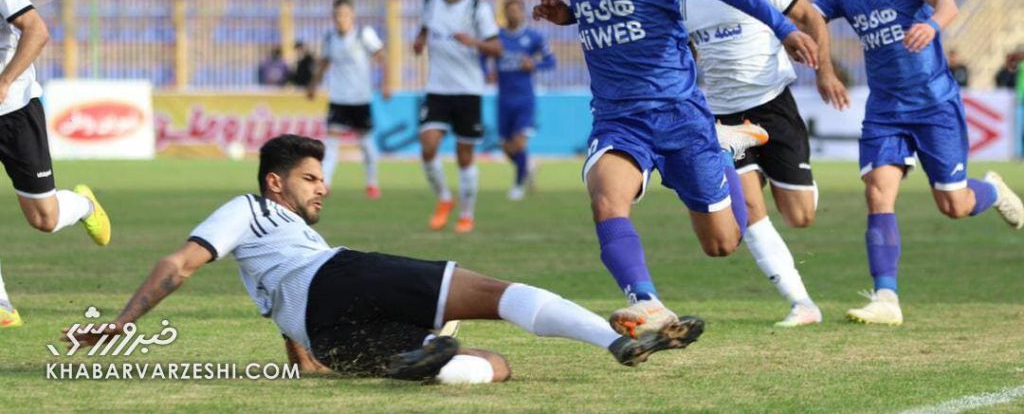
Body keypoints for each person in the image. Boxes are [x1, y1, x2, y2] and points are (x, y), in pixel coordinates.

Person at [67, 134, 706, 383]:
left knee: (497, 366)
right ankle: (613, 339)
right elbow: (178, 264)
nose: (323, 187)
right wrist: (125, 322)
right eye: (311, 178)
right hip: (339, 278)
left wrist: (308, 362)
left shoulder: (276, 249)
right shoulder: (249, 209)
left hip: (325, 333)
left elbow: (281, 307)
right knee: (492, 293)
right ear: (275, 183)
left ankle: (429, 356)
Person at [523, 0, 820, 339]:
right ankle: (648, 304)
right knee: (605, 197)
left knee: (722, 244)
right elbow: (619, 7)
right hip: (620, 119)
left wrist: (785, 28)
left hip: (680, 116)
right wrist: (572, 15)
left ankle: (721, 147)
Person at [814, 0, 1023, 326]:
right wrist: (824, 69)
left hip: (934, 104)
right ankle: (886, 297)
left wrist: (929, 24)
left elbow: (947, 3)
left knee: (954, 204)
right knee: (877, 192)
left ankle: (994, 191)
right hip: (885, 109)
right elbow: (811, 17)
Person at [678, 0, 851, 327]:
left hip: (773, 106)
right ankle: (802, 304)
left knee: (800, 216)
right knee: (750, 210)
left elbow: (811, 17)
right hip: (722, 119)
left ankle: (775, 170)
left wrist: (825, 71)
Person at [0, 0, 110, 329]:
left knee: (43, 218)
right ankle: (3, 307)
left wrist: (5, 81)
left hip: (14, 112)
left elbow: (37, 31)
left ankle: (83, 205)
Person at [413, 0, 502, 234]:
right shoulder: (431, 1)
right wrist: (419, 42)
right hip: (437, 88)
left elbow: (497, 47)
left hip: (468, 90)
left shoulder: (478, 7)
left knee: (465, 156)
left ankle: (466, 214)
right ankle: (443, 199)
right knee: (427, 146)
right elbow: (425, 31)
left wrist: (473, 41)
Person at [307, 0, 389, 198]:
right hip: (339, 97)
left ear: (352, 15)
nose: (340, 19)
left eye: (344, 14)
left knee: (366, 143)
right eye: (337, 15)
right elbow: (324, 63)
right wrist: (313, 84)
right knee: (332, 141)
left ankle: (372, 183)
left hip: (361, 98)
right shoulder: (330, 38)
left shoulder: (364, 34)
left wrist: (386, 82)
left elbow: (381, 56)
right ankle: (325, 183)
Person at [485, 0, 556, 201]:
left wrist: (534, 65)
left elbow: (551, 62)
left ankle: (517, 186)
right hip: (503, 99)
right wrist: (486, 71)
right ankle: (529, 167)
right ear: (505, 13)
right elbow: (483, 55)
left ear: (522, 12)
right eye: (509, 10)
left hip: (524, 99)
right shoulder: (496, 37)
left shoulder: (533, 37)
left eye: (517, 10)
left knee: (519, 143)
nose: (513, 13)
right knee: (506, 148)